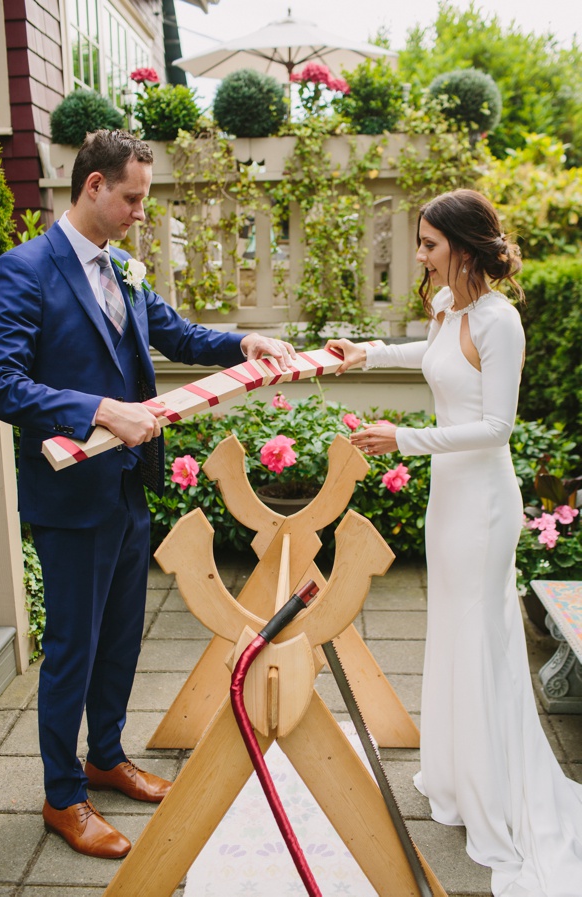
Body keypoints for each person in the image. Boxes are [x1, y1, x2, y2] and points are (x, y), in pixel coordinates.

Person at [0, 129, 296, 859]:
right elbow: (2, 383)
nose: (139, 212)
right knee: (72, 648)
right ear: (92, 186)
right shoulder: (22, 270)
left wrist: (239, 344)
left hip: (129, 488)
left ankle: (107, 755)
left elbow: (176, 334)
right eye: (132, 198)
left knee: (122, 637)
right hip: (69, 497)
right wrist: (96, 409)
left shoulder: (123, 266)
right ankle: (64, 796)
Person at [328, 188, 582, 897]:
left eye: (430, 245)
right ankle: (458, 772)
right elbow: (430, 354)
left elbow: (497, 426)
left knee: (482, 634)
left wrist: (401, 439)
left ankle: (493, 787)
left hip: (486, 504)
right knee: (451, 629)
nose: (420, 256)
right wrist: (367, 353)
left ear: (464, 250)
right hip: (449, 500)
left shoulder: (501, 322)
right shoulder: (450, 309)